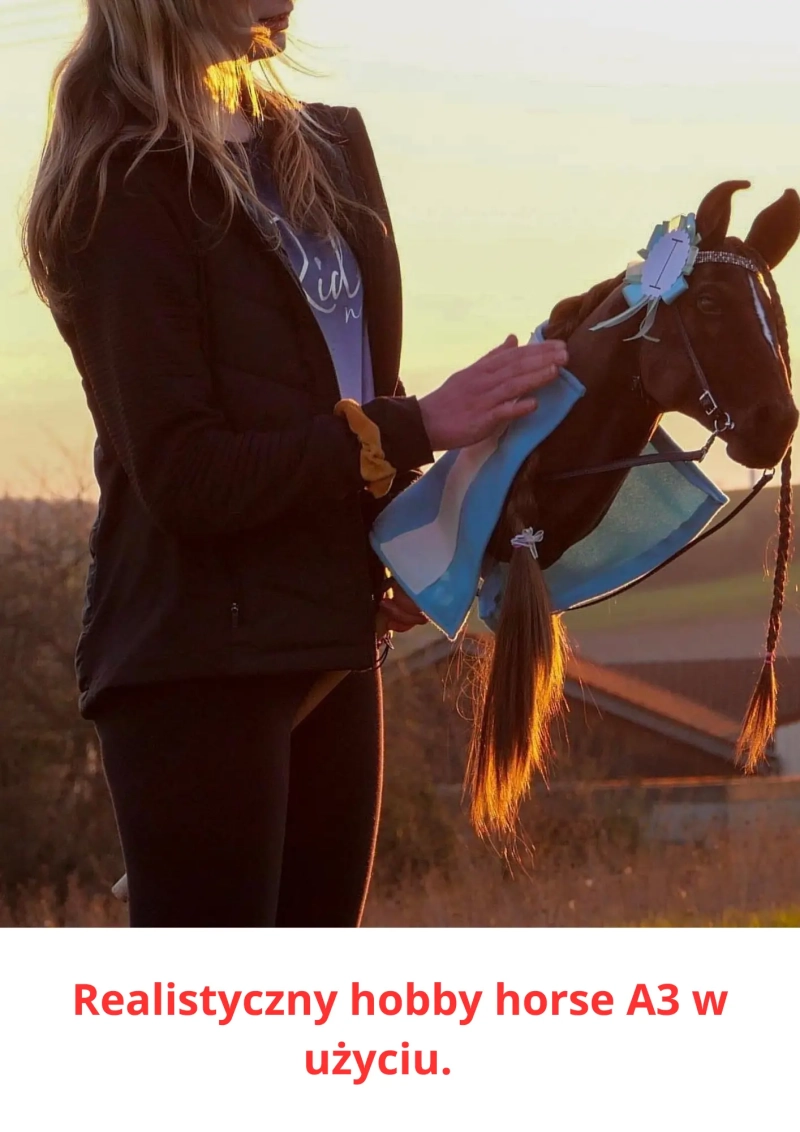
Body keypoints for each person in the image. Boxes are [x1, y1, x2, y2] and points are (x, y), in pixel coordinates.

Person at [22, 0, 568, 928]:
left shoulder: (326, 146)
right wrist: (420, 423)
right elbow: (187, 475)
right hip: (194, 665)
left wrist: (398, 538)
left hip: (333, 642)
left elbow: (356, 382)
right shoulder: (120, 182)